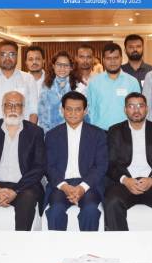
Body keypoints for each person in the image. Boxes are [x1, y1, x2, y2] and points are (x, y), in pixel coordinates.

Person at [0, 91, 46, 230]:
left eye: (17, 105)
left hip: (24, 186)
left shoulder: (35, 132)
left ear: (23, 108)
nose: (12, 109)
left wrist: (15, 191)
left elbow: (39, 167)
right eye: (9, 105)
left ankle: (20, 246)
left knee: (28, 201)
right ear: (2, 108)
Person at [104, 92, 152, 231]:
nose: (136, 110)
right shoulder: (114, 131)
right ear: (125, 110)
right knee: (112, 202)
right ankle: (121, 246)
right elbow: (110, 164)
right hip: (125, 182)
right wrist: (125, 180)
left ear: (146, 108)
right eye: (131, 106)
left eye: (140, 106)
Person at [44, 92, 107, 231]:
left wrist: (82, 187)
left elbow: (101, 166)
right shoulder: (52, 135)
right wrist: (65, 187)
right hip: (61, 185)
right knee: (55, 211)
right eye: (69, 109)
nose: (73, 113)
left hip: (88, 184)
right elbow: (49, 166)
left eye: (78, 109)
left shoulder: (98, 134)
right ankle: (57, 251)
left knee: (90, 211)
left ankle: (88, 251)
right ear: (62, 111)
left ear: (85, 111)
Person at [0, 40, 38, 137]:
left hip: (22, 136)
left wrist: (29, 138)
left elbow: (33, 111)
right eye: (3, 54)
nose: (7, 58)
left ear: (17, 56)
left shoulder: (28, 79)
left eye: (12, 54)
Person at [86, 42, 141, 131]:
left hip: (125, 132)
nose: (112, 62)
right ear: (103, 60)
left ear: (121, 59)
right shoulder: (94, 82)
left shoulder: (132, 82)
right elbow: (90, 109)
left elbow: (137, 109)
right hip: (100, 132)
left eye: (116, 58)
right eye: (108, 58)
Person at [38, 51, 79, 132]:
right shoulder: (46, 86)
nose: (62, 68)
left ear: (71, 67)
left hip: (73, 130)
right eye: (59, 64)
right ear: (53, 66)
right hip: (51, 131)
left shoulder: (78, 86)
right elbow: (42, 113)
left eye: (66, 65)